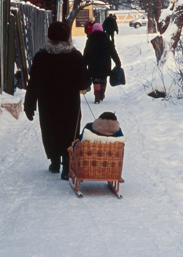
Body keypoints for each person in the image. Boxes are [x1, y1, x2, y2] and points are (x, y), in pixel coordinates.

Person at [24, 21, 90, 179]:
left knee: (50, 130)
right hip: (69, 103)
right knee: (69, 130)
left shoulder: (41, 56)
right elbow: (85, 82)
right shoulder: (75, 56)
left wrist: (29, 104)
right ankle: (67, 165)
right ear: (67, 37)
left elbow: (34, 82)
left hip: (47, 102)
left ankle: (55, 162)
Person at [83, 22, 121, 104]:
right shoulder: (107, 40)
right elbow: (113, 52)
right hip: (105, 64)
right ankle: (101, 94)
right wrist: (118, 62)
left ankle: (96, 97)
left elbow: (86, 53)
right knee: (103, 79)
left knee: (96, 80)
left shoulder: (90, 40)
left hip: (93, 64)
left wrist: (83, 64)